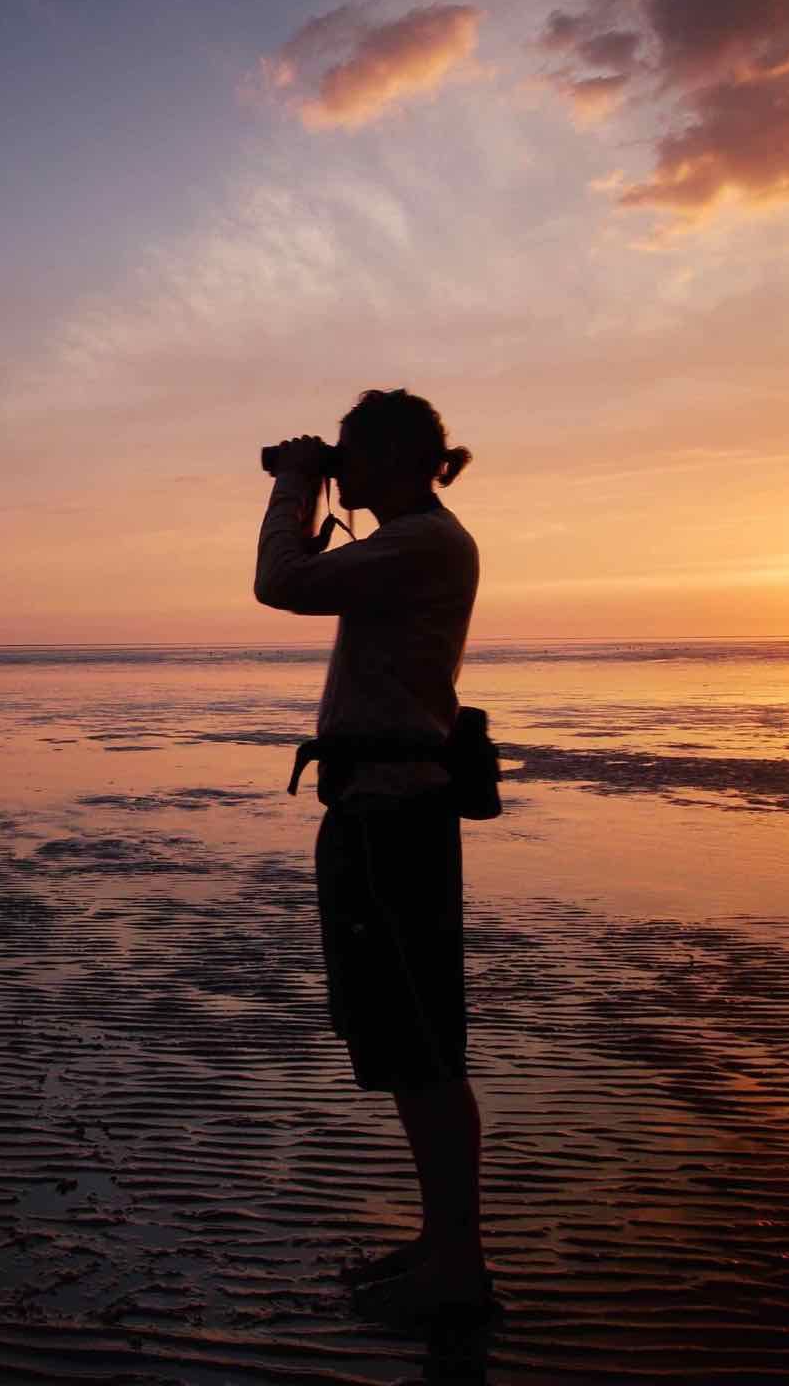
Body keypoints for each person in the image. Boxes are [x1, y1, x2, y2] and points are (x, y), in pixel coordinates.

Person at [255, 388, 487, 1321]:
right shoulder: (407, 545)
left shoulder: (424, 543)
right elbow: (308, 580)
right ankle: (443, 1248)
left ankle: (459, 1267)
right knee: (404, 1042)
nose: (339, 468)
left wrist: (294, 486)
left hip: (395, 817)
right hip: (379, 811)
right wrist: (314, 489)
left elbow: (279, 584)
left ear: (391, 456)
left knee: (424, 1048)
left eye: (348, 454)